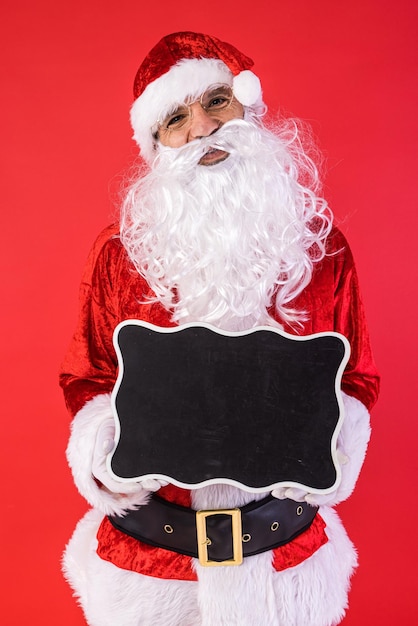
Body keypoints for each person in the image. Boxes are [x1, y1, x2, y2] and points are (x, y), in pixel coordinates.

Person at [60, 31, 380, 626]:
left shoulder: (320, 246)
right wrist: (109, 446)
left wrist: (334, 436)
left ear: (248, 108)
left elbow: (354, 375)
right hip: (154, 567)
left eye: (215, 102)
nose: (202, 129)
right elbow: (91, 376)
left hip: (285, 562)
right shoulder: (118, 253)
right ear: (155, 144)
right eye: (175, 118)